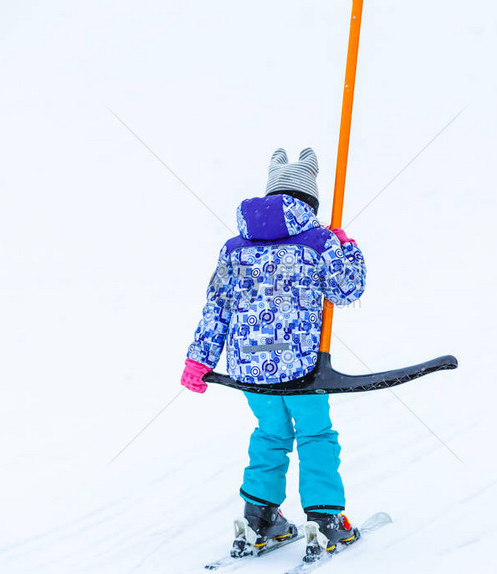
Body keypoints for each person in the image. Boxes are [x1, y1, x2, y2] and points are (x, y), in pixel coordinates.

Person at [181, 147, 367, 561]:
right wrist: (344, 246)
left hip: (249, 370)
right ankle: (325, 520)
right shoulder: (318, 241)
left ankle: (260, 517)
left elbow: (218, 307)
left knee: (270, 434)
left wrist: (200, 359)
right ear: (311, 204)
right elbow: (347, 289)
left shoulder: (234, 247)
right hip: (303, 370)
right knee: (315, 435)